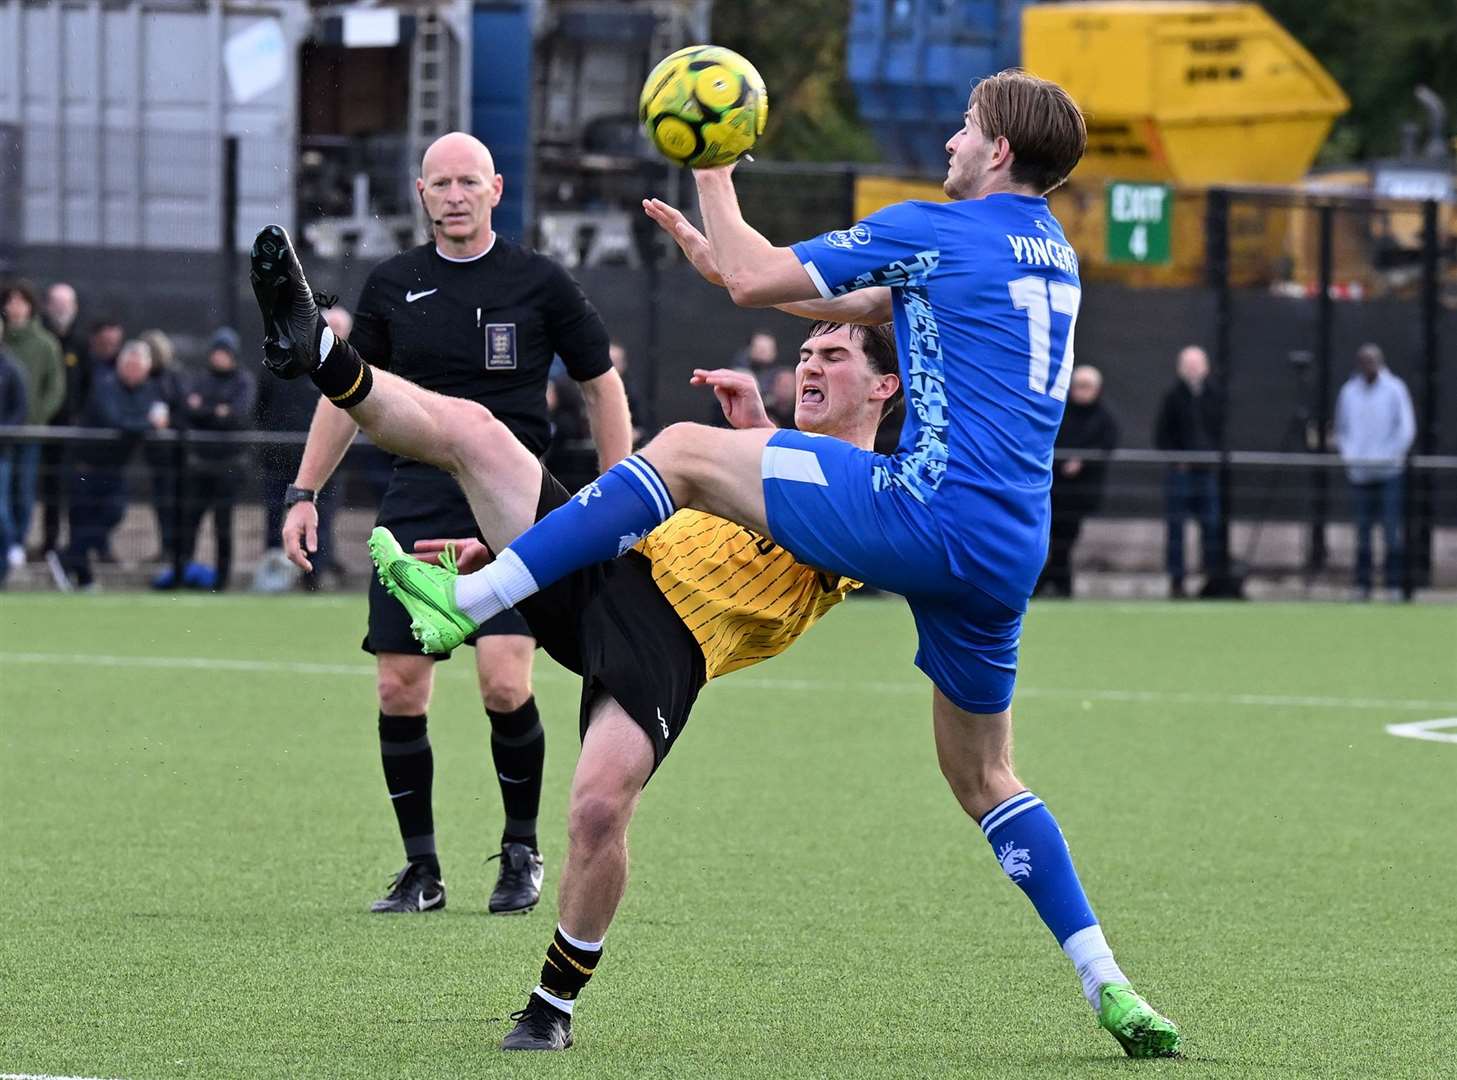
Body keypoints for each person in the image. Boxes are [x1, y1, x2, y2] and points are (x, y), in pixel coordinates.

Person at [313, 69, 1180, 1057]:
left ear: (999, 153)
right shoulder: (1048, 255)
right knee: (985, 778)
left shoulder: (938, 229)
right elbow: (886, 311)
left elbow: (752, 277)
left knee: (679, 452)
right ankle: (1107, 984)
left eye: (964, 128)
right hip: (1006, 544)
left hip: (925, 506)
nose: (949, 140)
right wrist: (751, 278)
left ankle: (473, 597)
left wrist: (713, 170)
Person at [246, 231, 896, 1048]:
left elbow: (812, 526)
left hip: (669, 644)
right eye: (805, 351)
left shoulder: (878, 496)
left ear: (884, 387)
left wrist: (757, 436)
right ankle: (322, 350)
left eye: (833, 355)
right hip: (612, 565)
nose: (809, 365)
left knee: (594, 810)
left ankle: (552, 1005)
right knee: (476, 433)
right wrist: (522, 552)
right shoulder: (771, 451)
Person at [261, 130, 632, 916]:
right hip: (418, 498)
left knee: (504, 684)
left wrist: (615, 496)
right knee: (399, 688)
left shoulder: (540, 283)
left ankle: (521, 852)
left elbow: (602, 386)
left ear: (496, 188)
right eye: (440, 183)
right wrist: (303, 493)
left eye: (469, 180)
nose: (455, 195)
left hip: (514, 504)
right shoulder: (394, 283)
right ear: (420, 193)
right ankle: (421, 869)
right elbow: (349, 396)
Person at [56, 339, 169, 589]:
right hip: (85, 465)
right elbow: (118, 421)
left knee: (113, 513)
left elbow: (155, 413)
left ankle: (66, 557)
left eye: (139, 366)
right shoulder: (104, 384)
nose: (134, 371)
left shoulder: (148, 389)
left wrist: (146, 421)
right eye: (130, 364)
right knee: (82, 521)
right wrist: (147, 424)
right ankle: (82, 578)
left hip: (113, 468)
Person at [171, 327, 257, 591]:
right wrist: (217, 411)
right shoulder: (200, 379)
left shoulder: (243, 381)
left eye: (224, 353)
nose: (218, 357)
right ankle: (180, 574)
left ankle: (222, 580)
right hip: (199, 464)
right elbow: (188, 410)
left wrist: (206, 410)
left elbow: (238, 416)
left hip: (229, 466)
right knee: (188, 522)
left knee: (223, 525)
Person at [1334, 343, 1415, 600]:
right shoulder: (1349, 392)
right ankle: (1362, 585)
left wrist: (1389, 457)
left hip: (1389, 473)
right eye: (1363, 361)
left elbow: (1405, 428)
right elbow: (1342, 428)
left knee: (1391, 532)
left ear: (1380, 362)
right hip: (1359, 474)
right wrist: (1351, 457)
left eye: (1372, 361)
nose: (1368, 366)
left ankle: (1393, 586)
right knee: (1362, 533)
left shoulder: (1395, 389)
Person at [1035, 365, 1118, 598]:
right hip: (1055, 488)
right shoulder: (1060, 412)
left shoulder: (1103, 418)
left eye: (1086, 387)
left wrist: (1083, 461)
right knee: (1053, 536)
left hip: (1082, 491)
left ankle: (1052, 583)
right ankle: (1058, 583)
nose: (1081, 391)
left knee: (1067, 538)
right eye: (1078, 386)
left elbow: (1106, 445)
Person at [1, 279, 65, 570]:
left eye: (20, 300)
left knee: (23, 490)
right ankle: (8, 543)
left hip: (27, 432)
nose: (14, 307)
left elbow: (54, 388)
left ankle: (16, 544)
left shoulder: (45, 344)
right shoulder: (5, 346)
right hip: (3, 436)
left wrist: (34, 418)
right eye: (9, 300)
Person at [1153, 344, 1222, 599]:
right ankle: (1177, 580)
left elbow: (1220, 431)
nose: (1193, 369)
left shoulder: (1215, 395)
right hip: (1180, 474)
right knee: (1176, 530)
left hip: (1206, 473)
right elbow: (1161, 435)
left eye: (1197, 364)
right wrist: (1177, 459)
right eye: (1188, 364)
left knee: (1212, 526)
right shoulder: (1172, 397)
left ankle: (1212, 578)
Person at [38, 282, 87, 556]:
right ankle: (48, 543)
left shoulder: (80, 344)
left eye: (66, 303)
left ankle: (74, 548)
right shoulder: (44, 340)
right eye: (56, 302)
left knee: (72, 490)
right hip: (42, 428)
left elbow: (89, 385)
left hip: (73, 433)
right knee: (47, 489)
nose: (61, 309)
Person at [0, 343, 28, 588]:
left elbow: (20, 408)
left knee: (1, 509)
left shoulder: (10, 369)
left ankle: (10, 552)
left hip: (1, 451)